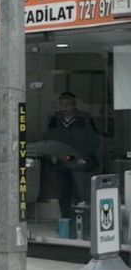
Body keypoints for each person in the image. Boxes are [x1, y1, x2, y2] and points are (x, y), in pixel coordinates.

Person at [46, 92, 99, 221]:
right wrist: (52, 155)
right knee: (63, 193)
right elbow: (50, 138)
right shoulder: (55, 119)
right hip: (62, 162)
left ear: (74, 105)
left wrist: (85, 157)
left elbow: (93, 139)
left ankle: (79, 222)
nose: (64, 108)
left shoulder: (84, 119)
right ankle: (66, 221)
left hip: (79, 162)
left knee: (80, 193)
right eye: (62, 105)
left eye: (67, 105)